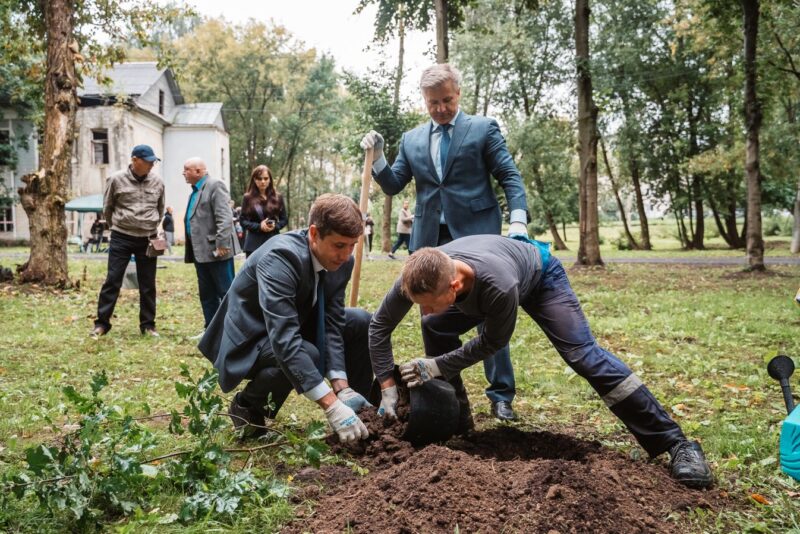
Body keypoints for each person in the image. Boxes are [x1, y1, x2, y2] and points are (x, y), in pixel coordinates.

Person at [369, 235, 714, 489]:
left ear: (454, 285)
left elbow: (493, 341)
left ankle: (676, 444)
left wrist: (436, 366)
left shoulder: (498, 284)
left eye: (430, 303)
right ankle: (459, 425)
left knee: (583, 355)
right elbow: (379, 325)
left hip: (541, 277)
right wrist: (387, 386)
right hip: (492, 277)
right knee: (435, 325)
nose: (425, 310)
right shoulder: (419, 274)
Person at [360, 63, 529, 421]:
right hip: (429, 241)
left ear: (458, 93)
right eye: (433, 102)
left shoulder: (482, 129)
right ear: (424, 100)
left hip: (476, 236)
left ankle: (501, 395)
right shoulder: (412, 139)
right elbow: (393, 184)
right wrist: (378, 158)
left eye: (447, 100)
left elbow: (509, 177)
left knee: (488, 316)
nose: (440, 109)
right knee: (433, 317)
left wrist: (518, 220)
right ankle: (449, 392)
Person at [198, 194, 374, 443]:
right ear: (314, 234)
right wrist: (331, 405)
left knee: (359, 321)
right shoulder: (280, 258)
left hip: (294, 324)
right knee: (306, 352)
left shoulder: (344, 261)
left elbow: (332, 321)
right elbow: (284, 339)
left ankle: (361, 414)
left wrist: (341, 387)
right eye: (339, 245)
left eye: (352, 245)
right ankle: (247, 406)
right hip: (251, 339)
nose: (346, 255)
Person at [90, 145, 165, 338]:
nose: (151, 165)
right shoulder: (116, 179)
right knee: (113, 280)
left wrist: (150, 226)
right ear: (135, 160)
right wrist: (118, 226)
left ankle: (148, 326)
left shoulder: (157, 181)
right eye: (148, 161)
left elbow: (160, 208)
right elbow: (107, 207)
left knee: (148, 283)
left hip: (148, 238)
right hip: (121, 237)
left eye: (153, 162)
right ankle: (101, 324)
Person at [183, 157, 241, 336]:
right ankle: (211, 331)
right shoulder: (194, 191)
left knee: (226, 292)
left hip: (217, 251)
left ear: (199, 171)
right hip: (200, 252)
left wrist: (222, 243)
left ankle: (235, 330)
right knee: (207, 294)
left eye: (186, 169)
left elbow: (224, 216)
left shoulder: (215, 185)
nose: (183, 173)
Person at [240, 165, 287, 258]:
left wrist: (275, 226)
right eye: (259, 178)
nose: (263, 181)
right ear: (254, 179)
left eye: (266, 178)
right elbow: (243, 220)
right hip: (253, 245)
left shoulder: (278, 197)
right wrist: (259, 226)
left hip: (273, 242)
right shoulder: (247, 198)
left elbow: (284, 219)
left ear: (270, 180)